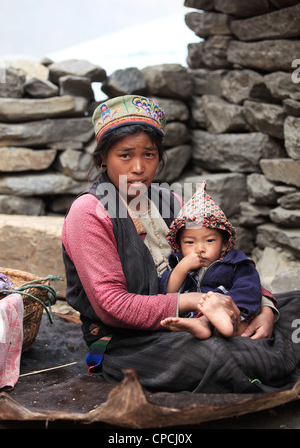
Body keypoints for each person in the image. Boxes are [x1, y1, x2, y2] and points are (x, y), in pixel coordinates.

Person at [62, 95, 300, 394]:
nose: (139, 167)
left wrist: (264, 309)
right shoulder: (89, 212)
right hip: (129, 339)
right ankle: (257, 354)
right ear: (102, 159)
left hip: (206, 311)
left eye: (149, 155)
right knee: (215, 357)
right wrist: (195, 302)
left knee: (294, 304)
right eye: (125, 155)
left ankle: (254, 345)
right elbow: (113, 306)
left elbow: (225, 259)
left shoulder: (170, 200)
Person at [160, 181, 263, 338]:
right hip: (192, 315)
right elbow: (168, 291)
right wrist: (183, 267)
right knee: (175, 320)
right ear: (179, 246)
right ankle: (199, 324)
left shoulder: (236, 263)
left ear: (224, 244)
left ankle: (209, 324)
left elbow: (250, 289)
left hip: (230, 315)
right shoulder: (178, 263)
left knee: (241, 326)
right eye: (189, 242)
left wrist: (224, 305)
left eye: (209, 241)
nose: (200, 248)